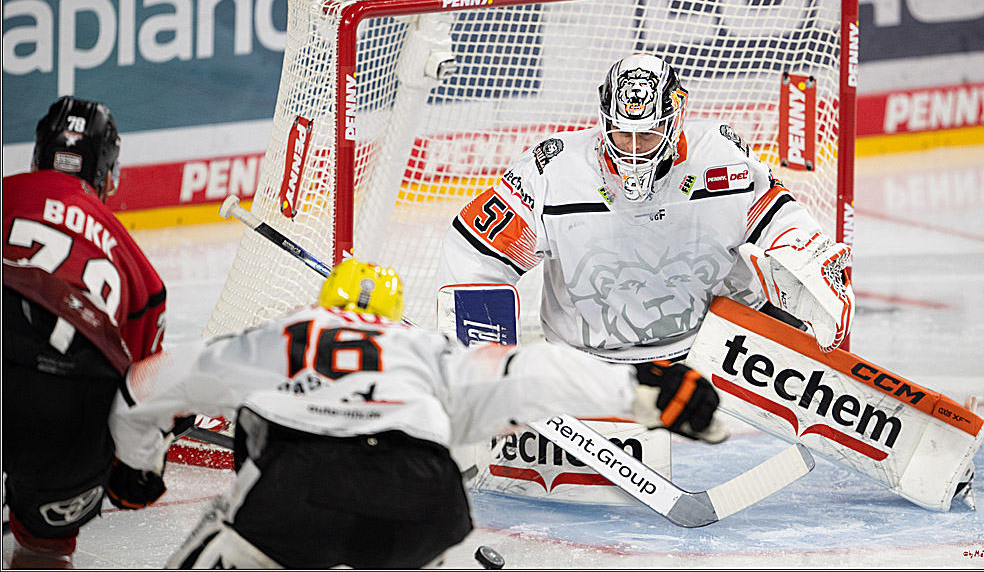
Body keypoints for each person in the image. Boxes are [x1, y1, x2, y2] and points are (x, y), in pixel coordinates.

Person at [108, 257, 721, 569]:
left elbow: (145, 385)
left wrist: (138, 469)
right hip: (425, 500)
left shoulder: (286, 333)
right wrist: (641, 390)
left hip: (295, 490)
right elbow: (531, 371)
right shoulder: (429, 348)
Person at [436, 53, 854, 366]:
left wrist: (812, 262)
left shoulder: (720, 155)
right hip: (588, 364)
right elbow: (477, 253)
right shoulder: (552, 170)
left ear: (675, 121)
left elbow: (777, 217)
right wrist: (486, 364)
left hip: (712, 353)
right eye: (623, 134)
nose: (634, 150)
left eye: (648, 135)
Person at [2, 97, 169, 568]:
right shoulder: (139, 269)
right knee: (43, 551)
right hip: (68, 407)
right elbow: (142, 386)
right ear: (108, 175)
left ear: (37, 156)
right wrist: (135, 468)